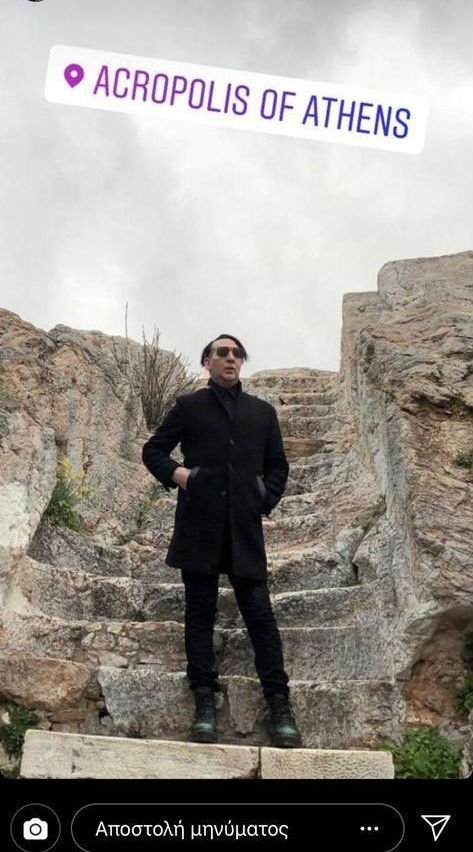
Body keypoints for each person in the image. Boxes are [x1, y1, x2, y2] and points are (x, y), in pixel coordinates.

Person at [142, 334, 302, 748]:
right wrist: (182, 476)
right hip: (199, 526)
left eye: (236, 354)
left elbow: (278, 465)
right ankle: (204, 703)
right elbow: (153, 451)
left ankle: (279, 704)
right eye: (222, 353)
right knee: (199, 615)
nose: (231, 358)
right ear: (207, 362)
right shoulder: (188, 407)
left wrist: (263, 496)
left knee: (260, 615)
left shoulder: (262, 412)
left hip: (244, 529)